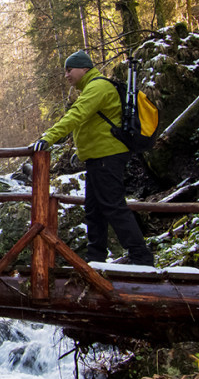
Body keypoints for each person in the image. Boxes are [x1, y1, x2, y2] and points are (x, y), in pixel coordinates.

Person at [31, 50, 153, 266]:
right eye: (65, 71)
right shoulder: (92, 88)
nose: (66, 75)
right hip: (99, 157)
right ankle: (96, 257)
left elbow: (77, 115)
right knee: (94, 208)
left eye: (70, 70)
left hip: (108, 155)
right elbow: (93, 126)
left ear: (84, 69)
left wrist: (48, 137)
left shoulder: (98, 87)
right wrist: (80, 155)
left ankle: (141, 258)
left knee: (113, 206)